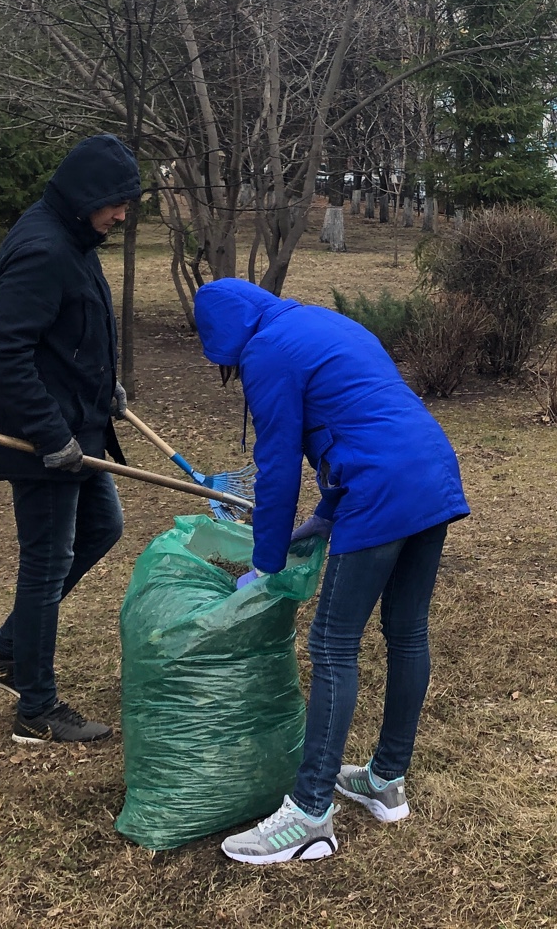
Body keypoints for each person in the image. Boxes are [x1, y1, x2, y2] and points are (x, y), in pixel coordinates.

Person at [194, 276, 470, 866]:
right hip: (431, 473)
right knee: (407, 632)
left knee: (334, 644)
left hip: (380, 491)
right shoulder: (319, 324)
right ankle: (385, 780)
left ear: (225, 338)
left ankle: (309, 813)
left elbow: (275, 468)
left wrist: (265, 563)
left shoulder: (266, 351)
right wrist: (323, 517)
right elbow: (361, 417)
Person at [0, 133, 142, 744]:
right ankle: (35, 708)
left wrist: (104, 388)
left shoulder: (75, 237)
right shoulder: (43, 247)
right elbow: (4, 352)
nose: (123, 214)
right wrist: (50, 434)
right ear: (85, 195)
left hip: (79, 422)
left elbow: (71, 328)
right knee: (46, 565)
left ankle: (7, 649)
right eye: (116, 201)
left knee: (103, 528)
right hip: (41, 441)